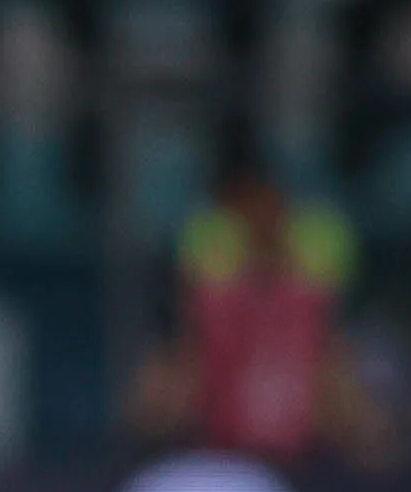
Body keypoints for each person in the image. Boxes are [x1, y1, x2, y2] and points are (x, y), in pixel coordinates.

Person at [127, 164, 391, 469]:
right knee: (166, 383)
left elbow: (341, 381)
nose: (260, 223)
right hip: (222, 455)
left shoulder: (310, 306)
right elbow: (160, 399)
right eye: (250, 215)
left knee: (347, 386)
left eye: (269, 213)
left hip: (307, 452)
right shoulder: (213, 305)